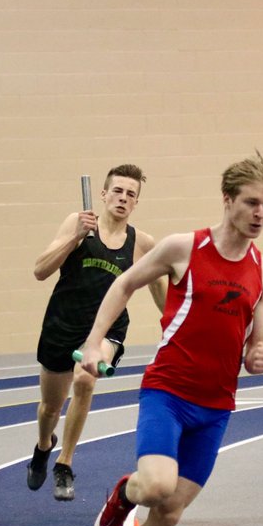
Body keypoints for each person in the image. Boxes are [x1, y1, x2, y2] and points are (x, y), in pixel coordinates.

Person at [78, 153, 263, 526]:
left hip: (216, 408)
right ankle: (124, 493)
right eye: (252, 203)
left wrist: (258, 357)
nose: (260, 214)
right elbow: (125, 284)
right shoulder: (184, 248)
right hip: (169, 393)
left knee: (169, 514)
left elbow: (257, 346)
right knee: (155, 486)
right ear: (227, 199)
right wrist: (94, 344)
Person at [28, 165, 164, 502]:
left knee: (86, 378)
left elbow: (162, 294)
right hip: (62, 325)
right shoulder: (78, 222)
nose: (123, 198)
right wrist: (75, 237)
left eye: (130, 194)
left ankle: (65, 463)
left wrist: (180, 327)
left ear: (136, 203)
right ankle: (45, 446)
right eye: (117, 191)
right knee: (49, 409)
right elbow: (40, 270)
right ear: (103, 195)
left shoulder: (141, 243)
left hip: (106, 331)